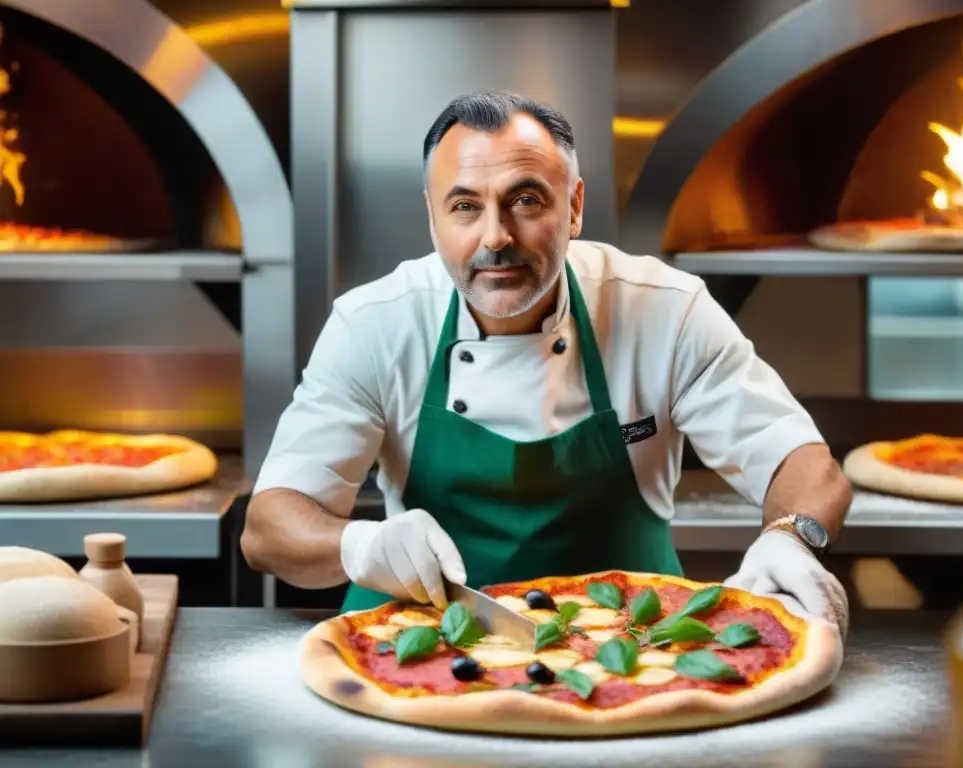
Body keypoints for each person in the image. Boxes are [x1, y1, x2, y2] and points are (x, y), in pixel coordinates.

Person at [241, 90, 852, 635]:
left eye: (526, 201)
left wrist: (791, 539)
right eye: (464, 207)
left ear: (575, 206)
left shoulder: (664, 309)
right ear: (432, 217)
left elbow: (802, 464)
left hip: (635, 649)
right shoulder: (376, 323)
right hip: (419, 646)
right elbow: (268, 530)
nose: (495, 237)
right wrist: (360, 545)